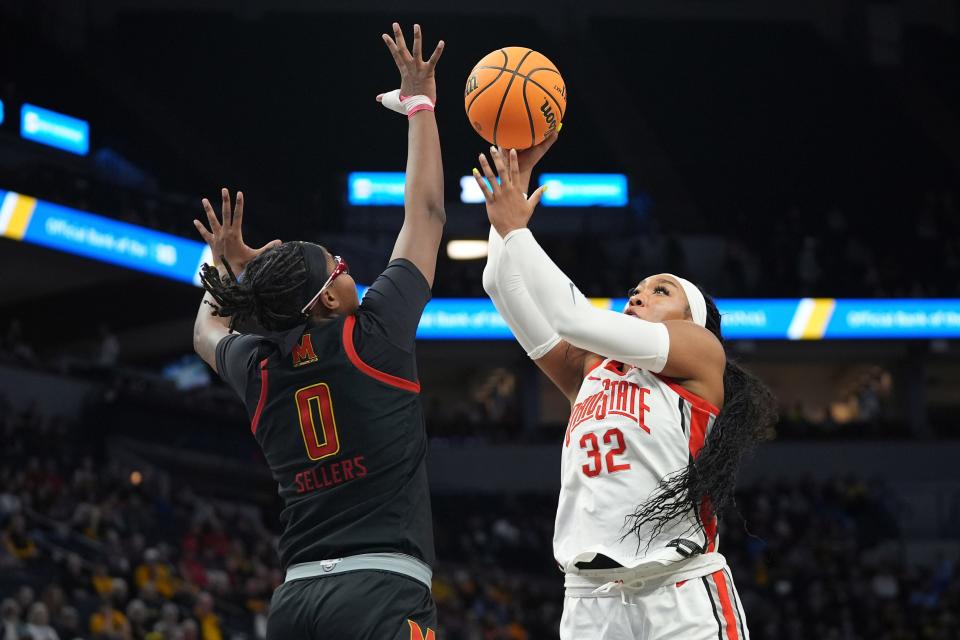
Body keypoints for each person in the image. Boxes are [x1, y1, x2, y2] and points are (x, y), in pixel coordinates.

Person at [191, 22, 445, 640]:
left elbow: (205, 327)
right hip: (381, 592)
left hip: (296, 600)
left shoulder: (260, 367)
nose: (349, 270)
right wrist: (421, 104)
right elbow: (429, 214)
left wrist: (226, 266)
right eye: (340, 266)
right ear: (329, 294)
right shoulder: (372, 335)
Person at [477, 143, 778, 639]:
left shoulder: (699, 352)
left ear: (692, 318)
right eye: (638, 287)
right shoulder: (591, 368)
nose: (639, 293)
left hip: (677, 591)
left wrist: (516, 229)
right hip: (590, 600)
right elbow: (499, 284)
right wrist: (514, 189)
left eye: (662, 290)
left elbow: (570, 316)